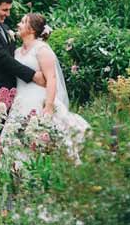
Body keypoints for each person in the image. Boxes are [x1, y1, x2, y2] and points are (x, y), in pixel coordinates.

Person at [7, 12, 89, 162]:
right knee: (14, 142)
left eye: (23, 22)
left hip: (39, 101)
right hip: (20, 101)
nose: (18, 24)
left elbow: (51, 79)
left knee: (44, 140)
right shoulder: (17, 52)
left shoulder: (42, 49)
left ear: (31, 29)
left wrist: (49, 106)